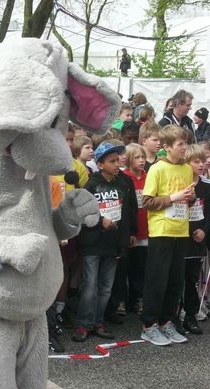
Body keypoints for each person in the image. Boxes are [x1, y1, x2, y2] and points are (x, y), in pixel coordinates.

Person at [140, 124, 194, 346]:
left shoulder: (187, 169)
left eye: (186, 143)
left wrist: (188, 198)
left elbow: (188, 198)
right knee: (157, 280)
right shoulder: (157, 169)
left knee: (175, 281)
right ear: (167, 147)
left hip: (181, 230)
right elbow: (147, 201)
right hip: (161, 230)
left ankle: (166, 322)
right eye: (180, 144)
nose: (185, 148)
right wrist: (174, 197)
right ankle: (149, 325)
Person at [73, 143, 133, 342]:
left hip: (113, 243)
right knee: (90, 285)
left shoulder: (123, 183)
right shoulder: (91, 184)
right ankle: (83, 324)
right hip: (93, 243)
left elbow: (126, 214)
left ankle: (98, 321)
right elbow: (82, 211)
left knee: (106, 286)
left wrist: (125, 241)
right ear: (99, 164)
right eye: (112, 161)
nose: (117, 164)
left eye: (118, 160)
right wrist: (100, 220)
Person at [181, 144, 210, 335]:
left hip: (198, 239)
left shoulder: (206, 186)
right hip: (179, 236)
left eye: (203, 161)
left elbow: (208, 213)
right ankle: (174, 316)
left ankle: (191, 316)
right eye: (196, 161)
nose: (201, 164)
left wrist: (204, 231)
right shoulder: (179, 184)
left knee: (192, 279)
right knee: (176, 280)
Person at [122, 144, 148, 316]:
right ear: (129, 159)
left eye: (143, 157)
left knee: (141, 267)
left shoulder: (149, 176)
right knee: (124, 267)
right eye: (137, 157)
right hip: (129, 230)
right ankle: (121, 300)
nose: (141, 161)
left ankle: (137, 298)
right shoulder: (124, 177)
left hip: (146, 229)